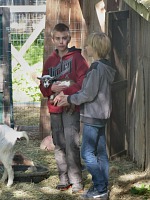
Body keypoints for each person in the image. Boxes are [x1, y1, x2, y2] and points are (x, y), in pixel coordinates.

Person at [56, 32, 116, 199]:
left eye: (88, 45)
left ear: (95, 48)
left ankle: (100, 187)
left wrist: (69, 99)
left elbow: (87, 94)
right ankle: (102, 187)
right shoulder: (105, 66)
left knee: (87, 154)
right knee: (100, 152)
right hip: (101, 116)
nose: (86, 48)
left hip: (92, 116)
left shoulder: (96, 68)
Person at [39, 23, 89, 193]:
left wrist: (66, 93)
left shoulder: (77, 59)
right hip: (54, 109)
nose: (61, 42)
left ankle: (76, 181)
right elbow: (43, 85)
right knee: (59, 144)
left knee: (72, 143)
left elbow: (83, 81)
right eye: (58, 38)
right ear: (53, 39)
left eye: (64, 38)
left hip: (70, 107)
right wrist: (50, 89)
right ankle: (63, 178)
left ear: (69, 38)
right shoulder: (50, 61)